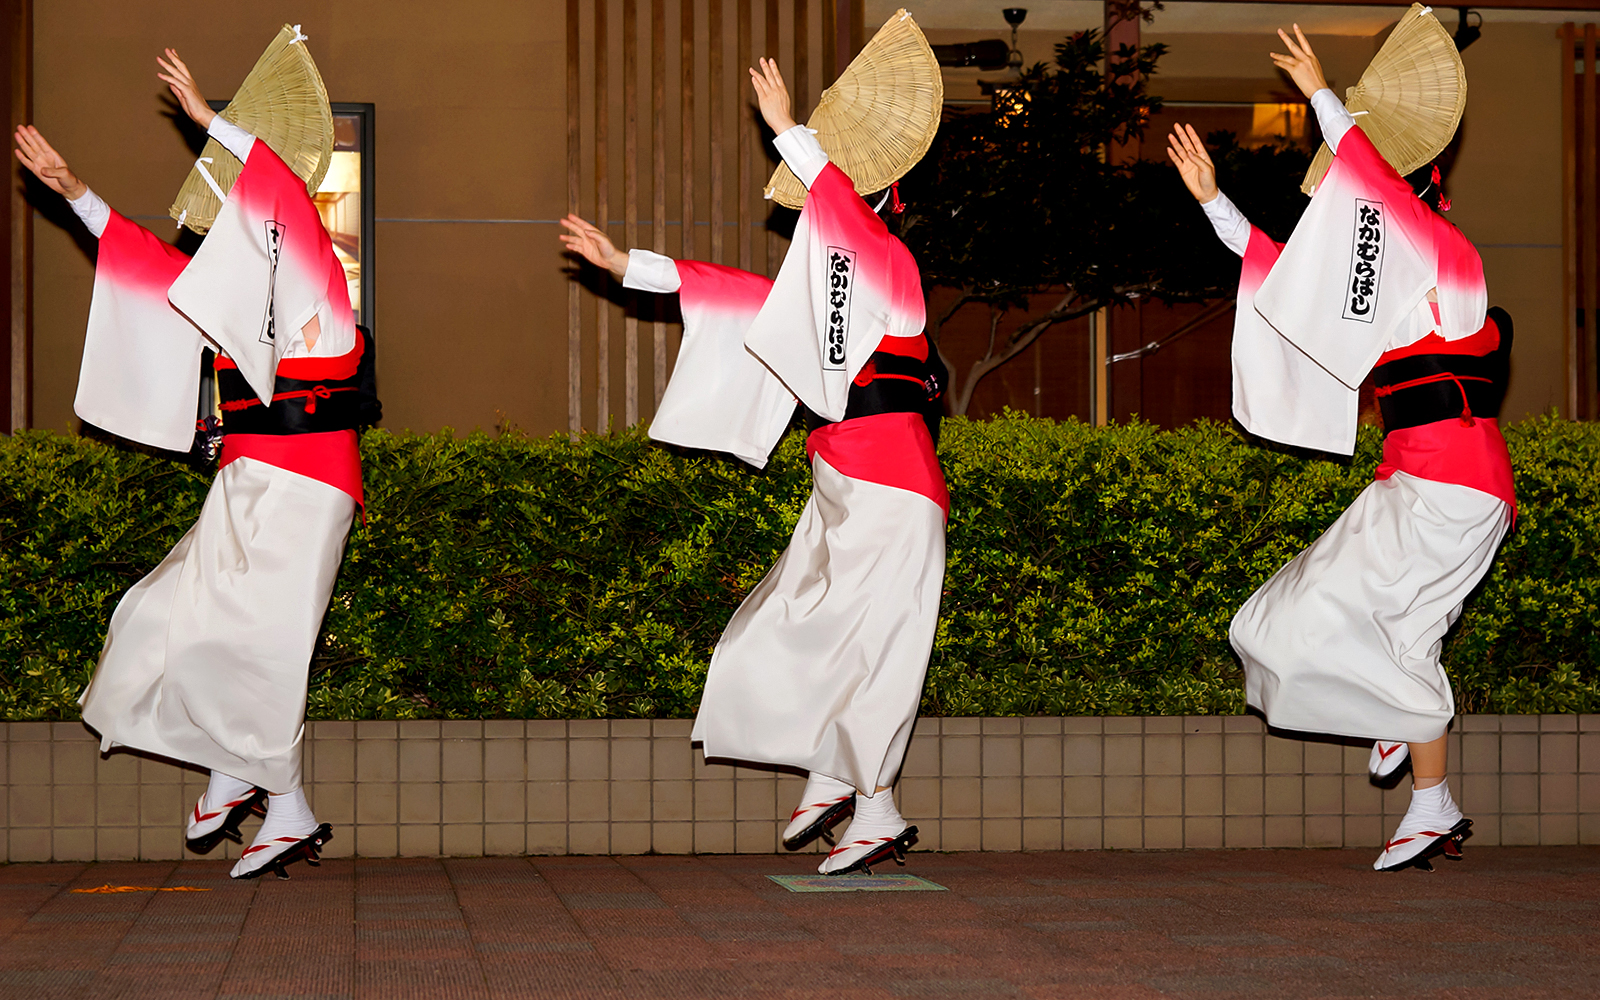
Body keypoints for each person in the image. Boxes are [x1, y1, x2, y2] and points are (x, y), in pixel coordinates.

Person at [560, 57, 947, 876]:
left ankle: (871, 801)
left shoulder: (893, 268)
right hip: (846, 483)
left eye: (825, 204)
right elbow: (730, 292)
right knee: (789, 626)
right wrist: (627, 264)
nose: (814, 216)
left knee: (876, 644)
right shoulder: (835, 284)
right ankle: (836, 774)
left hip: (895, 481)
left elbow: (842, 213)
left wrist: (789, 132)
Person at [15, 44, 373, 879]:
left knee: (263, 643)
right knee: (160, 618)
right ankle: (259, 785)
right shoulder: (231, 308)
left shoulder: (317, 277)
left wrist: (213, 122)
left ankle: (263, 789)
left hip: (310, 482)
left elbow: (280, 186)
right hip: (248, 479)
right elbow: (144, 260)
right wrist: (75, 193)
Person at [1166, 25, 1514, 873]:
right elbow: (1285, 283)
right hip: (1447, 489)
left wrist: (1326, 96)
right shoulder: (1394, 307)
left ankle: (1399, 724)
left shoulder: (1452, 260)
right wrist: (1216, 202)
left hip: (1446, 489)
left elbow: (1381, 193)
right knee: (1379, 642)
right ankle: (1427, 796)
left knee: (1283, 623)